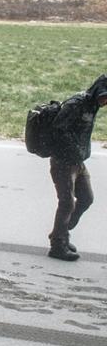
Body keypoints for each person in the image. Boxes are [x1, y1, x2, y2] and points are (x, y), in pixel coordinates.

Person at [47, 74, 107, 261]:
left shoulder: (93, 104)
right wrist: (73, 149)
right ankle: (57, 245)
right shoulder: (76, 104)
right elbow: (58, 129)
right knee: (67, 203)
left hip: (78, 161)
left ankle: (61, 233)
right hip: (63, 162)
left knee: (86, 198)